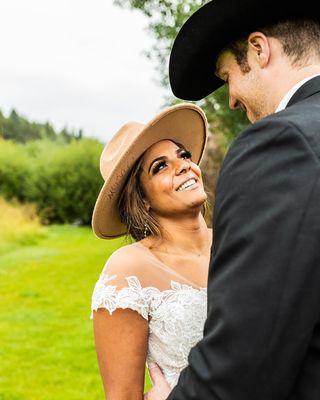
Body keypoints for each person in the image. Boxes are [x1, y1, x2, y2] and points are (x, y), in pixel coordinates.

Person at [145, 1, 320, 399]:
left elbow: (244, 366)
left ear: (259, 50)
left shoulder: (282, 142)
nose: (232, 101)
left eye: (227, 77)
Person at [90, 103, 213, 399]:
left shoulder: (238, 241)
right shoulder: (129, 270)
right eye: (161, 166)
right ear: (142, 199)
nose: (183, 165)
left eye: (182, 155)